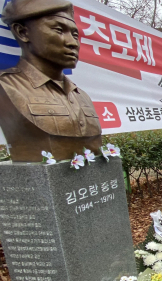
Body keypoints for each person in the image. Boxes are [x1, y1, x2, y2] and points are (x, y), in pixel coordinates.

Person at [0, 0, 103, 162]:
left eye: (75, 35)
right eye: (58, 30)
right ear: (22, 33)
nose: (72, 43)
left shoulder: (81, 96)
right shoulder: (6, 87)